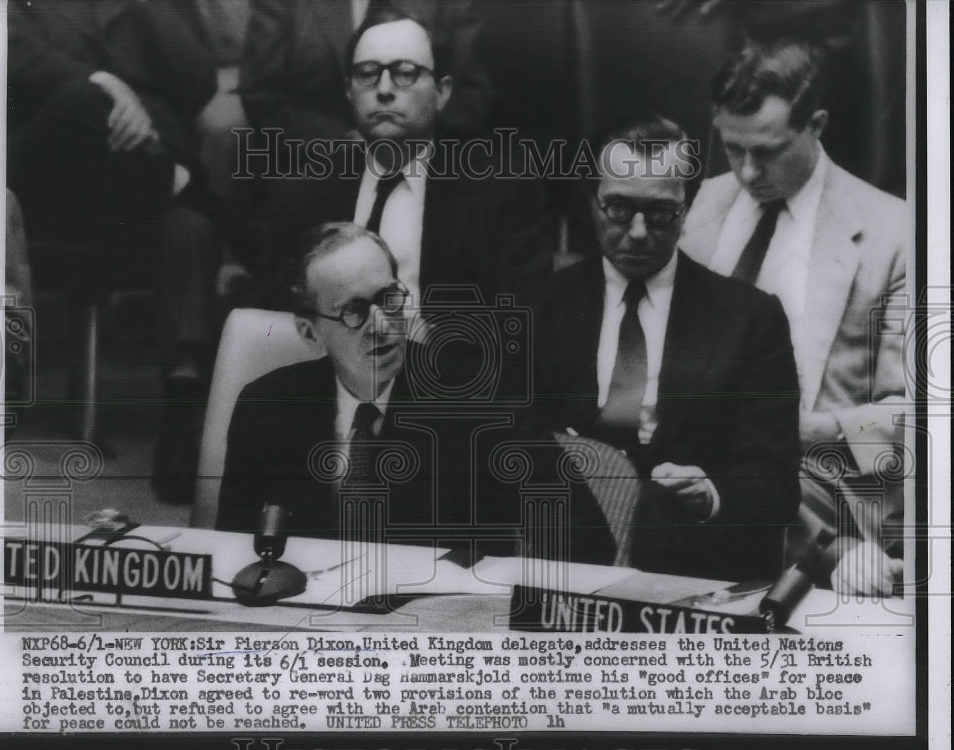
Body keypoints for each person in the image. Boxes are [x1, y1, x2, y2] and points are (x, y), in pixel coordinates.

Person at [217, 222, 615, 566]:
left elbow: (586, 540)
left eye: (389, 299)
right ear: (310, 332)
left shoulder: (479, 400)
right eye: (354, 310)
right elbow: (232, 550)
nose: (381, 325)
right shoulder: (267, 407)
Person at [681, 41, 908, 596]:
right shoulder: (698, 206)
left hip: (818, 474)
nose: (748, 171)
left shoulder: (894, 233)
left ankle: (831, 550)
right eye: (731, 148)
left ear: (817, 125)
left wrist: (824, 428)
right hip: (694, 457)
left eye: (769, 150)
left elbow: (922, 413)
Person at [532, 117, 801, 582]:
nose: (637, 231)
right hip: (561, 563)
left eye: (659, 213)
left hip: (693, 570)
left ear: (688, 206)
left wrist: (712, 494)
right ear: (592, 201)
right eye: (617, 208)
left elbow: (774, 481)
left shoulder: (751, 319)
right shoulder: (537, 307)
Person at [6, 0, 221, 499]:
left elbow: (197, 83)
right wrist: (107, 84)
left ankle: (181, 414)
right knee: (85, 99)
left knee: (188, 227)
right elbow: (7, 50)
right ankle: (193, 189)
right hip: (53, 174)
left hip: (137, 179)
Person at [245, 5, 553, 314]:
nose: (384, 90)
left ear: (442, 93)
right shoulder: (300, 194)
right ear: (349, 92)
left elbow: (518, 329)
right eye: (367, 74)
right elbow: (275, 325)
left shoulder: (502, 193)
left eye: (405, 73)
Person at [239, 0, 493, 144]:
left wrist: (409, 141)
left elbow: (472, 98)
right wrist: (342, 142)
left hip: (427, 169)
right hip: (312, 165)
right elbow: (263, 96)